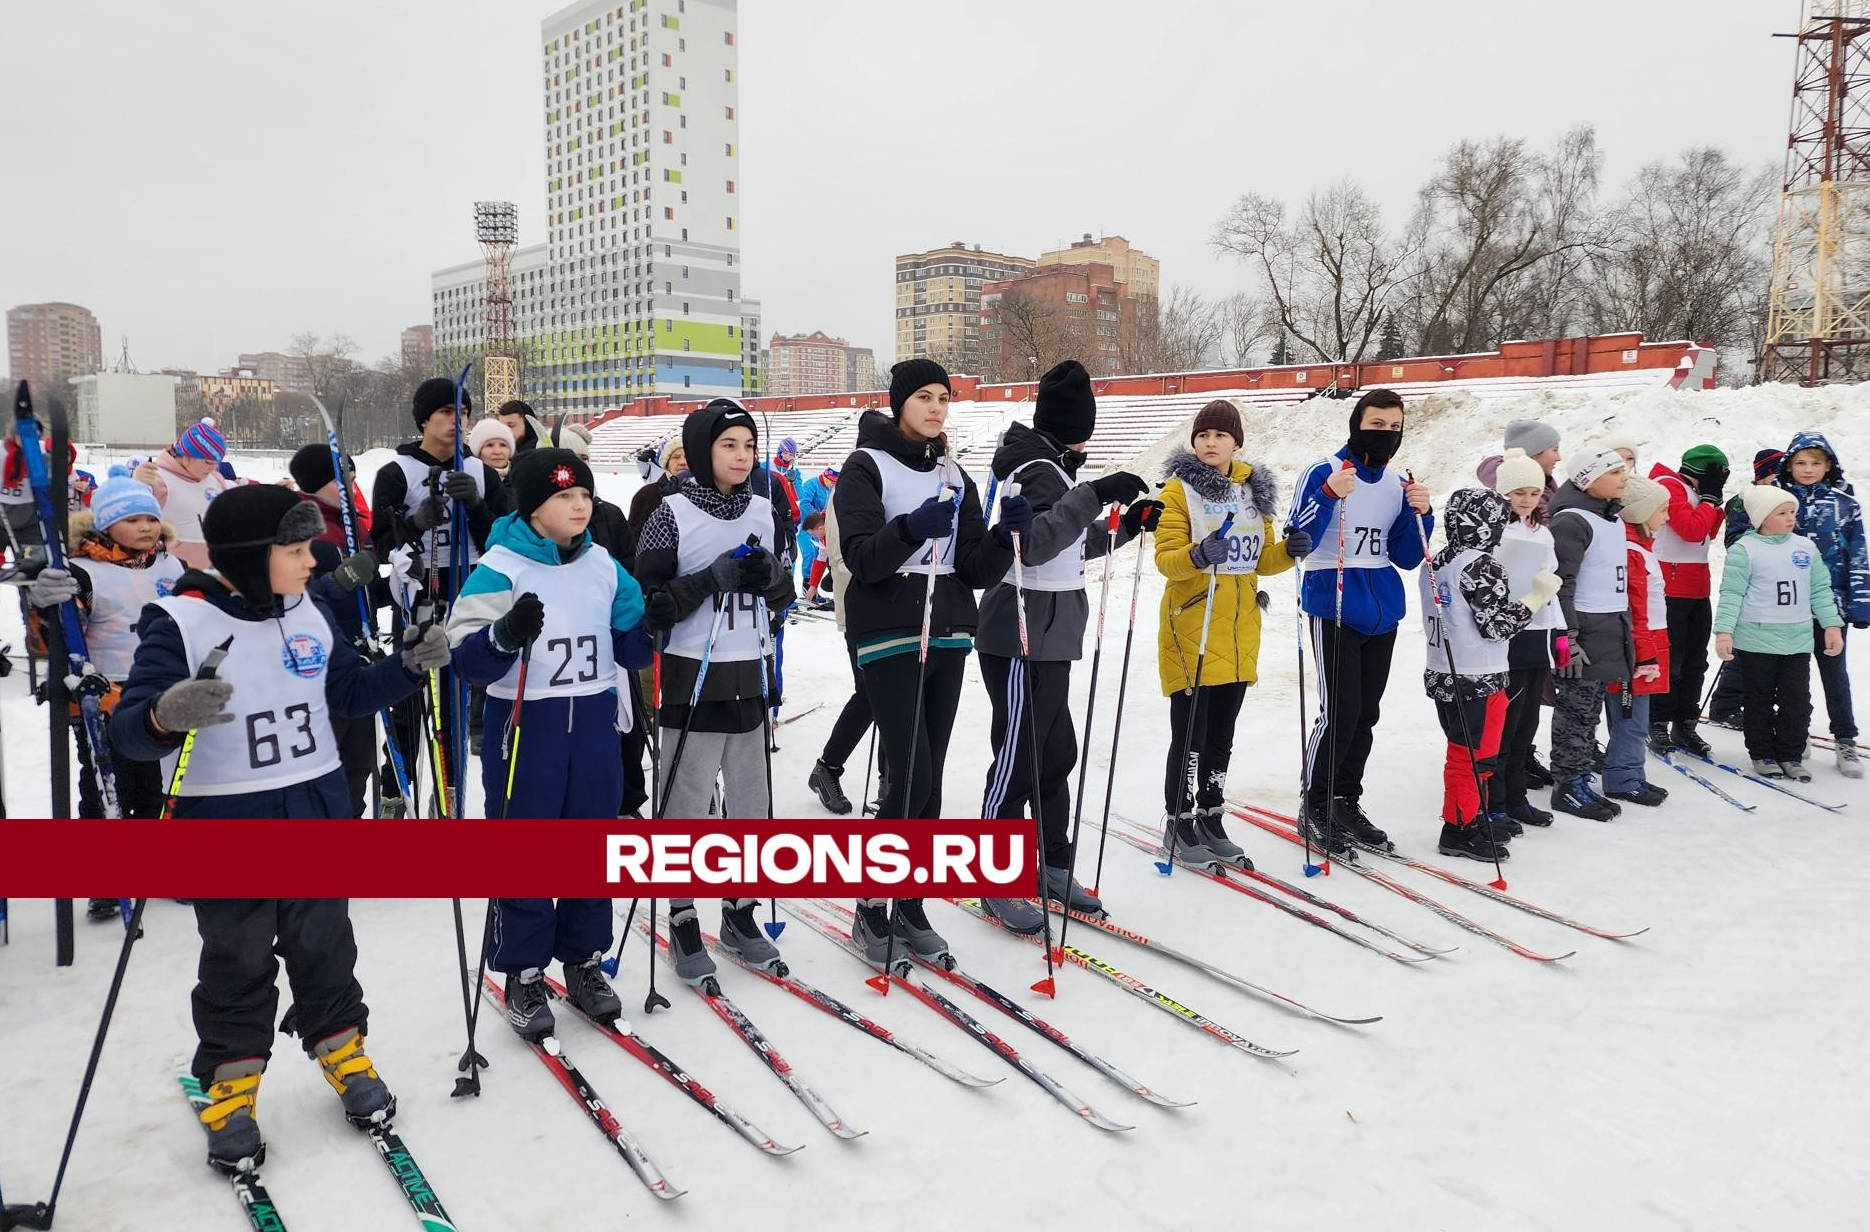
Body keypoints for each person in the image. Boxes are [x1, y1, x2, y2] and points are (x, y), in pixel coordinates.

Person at [108, 484, 448, 1172]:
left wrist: (409, 669)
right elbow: (131, 735)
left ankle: (341, 1046)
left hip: (315, 809)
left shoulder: (311, 612)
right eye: (294, 552)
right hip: (226, 821)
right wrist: (165, 716)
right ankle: (231, 1083)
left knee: (324, 940)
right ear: (249, 557)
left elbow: (350, 693)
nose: (312, 563)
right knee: (236, 954)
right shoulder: (180, 623)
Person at [446, 447, 647, 1034]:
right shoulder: (502, 567)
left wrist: (648, 624)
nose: (579, 505)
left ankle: (583, 960)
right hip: (526, 727)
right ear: (535, 508)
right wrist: (504, 635)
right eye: (564, 497)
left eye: (584, 494)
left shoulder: (605, 564)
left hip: (592, 724)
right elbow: (465, 660)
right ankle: (524, 971)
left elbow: (632, 640)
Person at [834, 359, 1025, 963]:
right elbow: (863, 560)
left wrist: (1000, 537)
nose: (937, 406)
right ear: (898, 403)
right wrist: (913, 527)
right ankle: (870, 905)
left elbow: (971, 567)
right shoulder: (866, 467)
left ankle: (909, 902)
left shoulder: (953, 471)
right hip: (889, 630)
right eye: (923, 396)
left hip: (945, 631)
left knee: (932, 780)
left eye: (944, 397)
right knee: (908, 776)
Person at [974, 360, 1154, 930]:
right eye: (1083, 427)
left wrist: (1128, 526)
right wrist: (1097, 492)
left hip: (1053, 631)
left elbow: (1074, 543)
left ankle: (1051, 861)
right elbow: (1033, 545)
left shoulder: (1056, 467)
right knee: (1019, 758)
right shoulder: (1032, 469)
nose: (1087, 438)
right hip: (1019, 630)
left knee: (1054, 755)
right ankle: (994, 873)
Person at [635, 400, 796, 983]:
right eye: (729, 445)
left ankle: (739, 909)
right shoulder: (670, 511)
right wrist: (711, 580)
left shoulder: (763, 508)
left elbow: (785, 596)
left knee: (751, 802)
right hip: (690, 673)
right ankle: (681, 913)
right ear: (704, 450)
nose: (741, 456)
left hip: (749, 671)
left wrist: (770, 579)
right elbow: (649, 605)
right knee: (687, 801)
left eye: (748, 446)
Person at [1151, 398, 1305, 870]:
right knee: (1191, 735)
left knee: (1221, 736)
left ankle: (1211, 815)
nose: (1210, 443)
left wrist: (1291, 551)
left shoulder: (1253, 491)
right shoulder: (1178, 491)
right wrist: (1199, 554)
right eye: (1203, 435)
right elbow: (1166, 560)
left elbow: (1261, 560)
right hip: (1192, 628)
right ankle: (1178, 821)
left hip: (1239, 634)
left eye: (1220, 435)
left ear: (1237, 442)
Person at [1286, 388, 1433, 854]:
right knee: (1340, 711)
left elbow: (1408, 557)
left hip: (1382, 608)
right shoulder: (1325, 470)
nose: (1386, 434)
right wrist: (1330, 495)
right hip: (1334, 601)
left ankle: (1346, 799)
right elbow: (1297, 535)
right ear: (1356, 424)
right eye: (1376, 425)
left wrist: (1422, 514)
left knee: (1366, 714)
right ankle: (1316, 803)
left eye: (1394, 427)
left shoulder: (1396, 483)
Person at [369, 378, 512, 815]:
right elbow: (378, 544)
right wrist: (414, 523)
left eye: (462, 412)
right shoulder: (397, 471)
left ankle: (450, 790)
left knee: (458, 697)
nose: (456, 421)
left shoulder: (481, 472)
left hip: (470, 587)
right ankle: (397, 787)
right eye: (446, 413)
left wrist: (477, 507)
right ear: (424, 420)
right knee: (411, 693)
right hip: (419, 589)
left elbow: (504, 541)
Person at [24, 468, 183, 819]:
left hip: (160, 686)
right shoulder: (82, 571)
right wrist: (44, 607)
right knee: (104, 781)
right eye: (132, 519)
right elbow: (53, 642)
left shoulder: (170, 564)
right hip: (105, 692)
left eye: (150, 518)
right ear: (106, 526)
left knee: (149, 781)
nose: (145, 527)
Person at [1418, 488, 1557, 862]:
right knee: (1474, 756)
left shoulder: (1437, 560)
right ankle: (1460, 828)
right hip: (1478, 672)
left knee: (1464, 751)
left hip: (1445, 670)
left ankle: (1469, 816)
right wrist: (1536, 597)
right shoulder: (1481, 565)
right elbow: (1496, 626)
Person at [1716, 485, 1845, 782]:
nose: (1791, 518)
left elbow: (1820, 590)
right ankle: (1762, 753)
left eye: (1793, 513)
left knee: (1797, 701)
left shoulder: (1804, 547)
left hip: (1797, 640)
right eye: (1783, 513)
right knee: (1758, 699)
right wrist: (1724, 632)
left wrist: (1832, 625)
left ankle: (1790, 754)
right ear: (1761, 518)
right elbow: (1731, 594)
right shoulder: (1744, 550)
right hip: (1756, 640)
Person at [1546, 448, 1634, 821]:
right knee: (1575, 711)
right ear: (1587, 480)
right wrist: (1569, 636)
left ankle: (1581, 775)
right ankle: (1566, 783)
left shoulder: (1609, 518)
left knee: (1590, 710)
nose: (1624, 478)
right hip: (1581, 629)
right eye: (1614, 472)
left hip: (1607, 628)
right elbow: (1560, 583)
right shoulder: (1571, 521)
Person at [1776, 433, 1869, 778]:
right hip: (1788, 605)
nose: (1808, 469)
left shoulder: (1845, 504)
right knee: (1791, 676)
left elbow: (1857, 555)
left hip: (1831, 607)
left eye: (1816, 462)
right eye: (1801, 462)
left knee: (1834, 672)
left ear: (1828, 465)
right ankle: (1795, 736)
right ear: (1789, 465)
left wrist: (1859, 604)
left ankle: (1845, 739)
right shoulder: (1779, 500)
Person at [1489, 450, 1564, 830]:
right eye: (1519, 491)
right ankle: (1496, 801)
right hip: (1508, 633)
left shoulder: (1543, 532)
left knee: (1526, 723)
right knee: (1505, 721)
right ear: (1503, 492)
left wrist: (1560, 632)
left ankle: (1516, 797)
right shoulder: (1495, 531)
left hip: (1537, 632)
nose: (1527, 500)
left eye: (1534, 492)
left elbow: (1550, 584)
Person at [1645, 445, 1728, 758]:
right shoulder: (1669, 486)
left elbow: (1709, 531)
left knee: (1695, 660)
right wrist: (1708, 500)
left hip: (1697, 586)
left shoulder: (1693, 491)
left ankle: (1685, 721)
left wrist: (1715, 503)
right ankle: (1658, 722)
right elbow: (1691, 531)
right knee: (1673, 660)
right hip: (1671, 586)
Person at [1601, 475, 1671, 807]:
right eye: (1662, 510)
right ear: (1641, 513)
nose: (1667, 517)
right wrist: (1643, 655)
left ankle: (1631, 772)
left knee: (1633, 715)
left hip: (1647, 643)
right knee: (1632, 717)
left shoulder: (1641, 548)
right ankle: (1623, 777)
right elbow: (1635, 609)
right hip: (1636, 648)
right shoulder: (1631, 553)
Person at [1708, 450, 1786, 730]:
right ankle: (1725, 704)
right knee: (1743, 647)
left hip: (1778, 587)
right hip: (1749, 581)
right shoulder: (1743, 501)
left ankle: (1758, 703)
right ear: (1764, 473)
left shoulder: (1784, 501)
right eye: (1777, 473)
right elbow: (1735, 539)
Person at [138, 420, 233, 570]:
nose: (213, 468)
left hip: (215, 571)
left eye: (216, 463)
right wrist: (134, 485)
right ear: (188, 456)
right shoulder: (159, 480)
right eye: (208, 462)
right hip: (174, 572)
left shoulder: (215, 480)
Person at [1477, 420, 1561, 517]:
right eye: (1555, 449)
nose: (1559, 457)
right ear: (1534, 453)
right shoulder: (1529, 502)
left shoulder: (1542, 481)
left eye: (1534, 494)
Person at [627, 439, 687, 538]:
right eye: (675, 457)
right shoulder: (646, 495)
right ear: (666, 463)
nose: (683, 462)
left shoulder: (707, 492)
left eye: (687, 457)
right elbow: (634, 538)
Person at [795, 462, 840, 595]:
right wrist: (818, 516)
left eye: (834, 483)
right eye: (830, 481)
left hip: (824, 526)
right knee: (810, 552)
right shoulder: (812, 484)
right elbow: (804, 503)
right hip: (809, 525)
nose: (832, 484)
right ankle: (807, 583)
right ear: (825, 475)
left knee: (820, 553)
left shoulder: (831, 489)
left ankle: (813, 586)